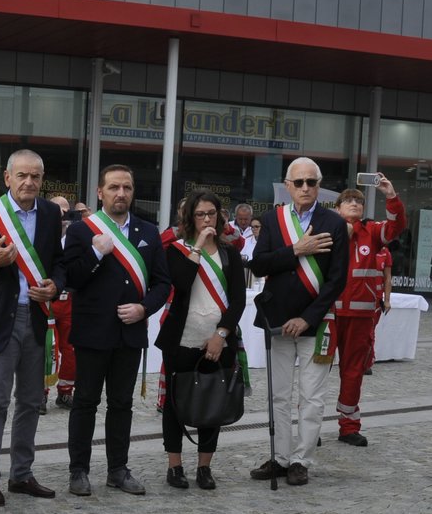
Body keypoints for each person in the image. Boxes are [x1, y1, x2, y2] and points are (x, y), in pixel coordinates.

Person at [60, 165, 171, 496]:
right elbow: (72, 278)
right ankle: (78, 470)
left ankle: (118, 469)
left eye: (126, 187)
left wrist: (144, 308)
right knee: (85, 402)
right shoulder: (82, 231)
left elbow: (162, 283)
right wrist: (96, 252)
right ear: (100, 192)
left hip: (129, 333)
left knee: (122, 403)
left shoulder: (149, 232)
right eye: (114, 187)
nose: (120, 193)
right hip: (93, 332)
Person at [247, 157, 349, 487]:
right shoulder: (272, 220)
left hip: (316, 324)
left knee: (312, 396)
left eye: (312, 182)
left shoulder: (334, 223)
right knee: (278, 395)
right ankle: (279, 456)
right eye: (299, 182)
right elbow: (259, 265)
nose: (305, 188)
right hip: (277, 321)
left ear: (319, 186)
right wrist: (297, 249)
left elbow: (337, 280)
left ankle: (300, 460)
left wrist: (307, 318)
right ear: (288, 186)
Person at [0, 149, 65, 505]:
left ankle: (21, 474)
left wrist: (56, 284)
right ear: (7, 178)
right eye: (22, 175)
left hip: (37, 317)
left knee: (30, 401)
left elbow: (58, 261)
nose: (29, 182)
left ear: (42, 180)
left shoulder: (52, 212)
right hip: (0, 321)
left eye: (36, 176)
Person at [158, 192, 246, 490]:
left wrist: (221, 335)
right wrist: (196, 247)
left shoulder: (230, 253)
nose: (207, 219)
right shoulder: (176, 250)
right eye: (200, 214)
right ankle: (175, 466)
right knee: (175, 402)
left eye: (212, 213)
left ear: (220, 216)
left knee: (213, 400)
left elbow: (238, 300)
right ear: (190, 218)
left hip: (217, 340)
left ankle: (204, 467)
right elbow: (181, 283)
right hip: (181, 339)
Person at [330, 177, 406, 446]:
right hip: (327, 315)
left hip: (360, 316)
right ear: (337, 208)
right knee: (313, 371)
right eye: (349, 200)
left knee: (352, 371)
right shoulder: (326, 230)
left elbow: (397, 226)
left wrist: (391, 195)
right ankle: (308, 425)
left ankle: (348, 427)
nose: (355, 203)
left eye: (359, 201)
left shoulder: (372, 232)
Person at [48, 195, 77, 409]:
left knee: (70, 348)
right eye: (58, 210)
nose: (62, 215)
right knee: (48, 348)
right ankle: (41, 392)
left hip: (69, 301)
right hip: (47, 301)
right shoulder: (41, 233)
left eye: (66, 210)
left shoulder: (76, 235)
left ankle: (66, 391)